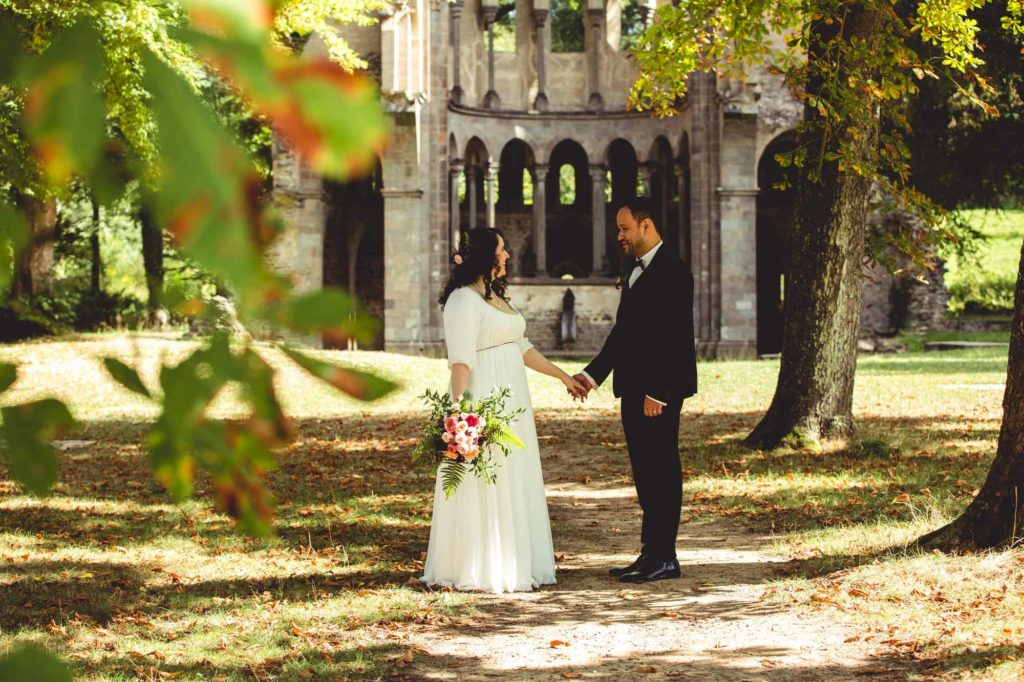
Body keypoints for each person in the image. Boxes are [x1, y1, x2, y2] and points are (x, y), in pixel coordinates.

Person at [421, 227, 588, 593]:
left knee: (514, 474)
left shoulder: (495, 297)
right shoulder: (463, 300)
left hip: (514, 403)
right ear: (485, 256)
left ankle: (517, 558)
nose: (507, 256)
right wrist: (459, 417)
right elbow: (461, 362)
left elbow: (523, 348)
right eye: (501, 250)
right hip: (483, 399)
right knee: (485, 479)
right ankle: (481, 565)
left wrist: (563, 376)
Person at [575, 197, 698, 583]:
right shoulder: (633, 269)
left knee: (662, 471)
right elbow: (623, 335)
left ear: (647, 226)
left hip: (658, 394)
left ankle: (666, 557)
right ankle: (651, 554)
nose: (620, 235)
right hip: (634, 389)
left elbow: (676, 336)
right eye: (619, 229)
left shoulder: (674, 271)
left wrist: (660, 393)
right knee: (645, 474)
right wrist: (592, 376)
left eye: (625, 228)